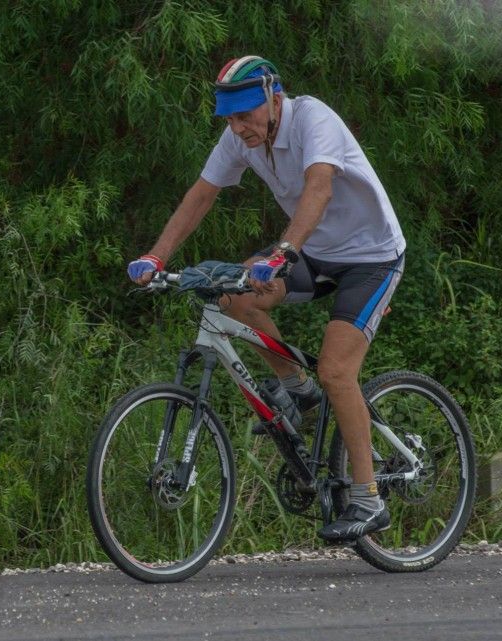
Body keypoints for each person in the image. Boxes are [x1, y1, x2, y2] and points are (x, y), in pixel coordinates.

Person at [127, 55, 405, 542]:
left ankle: (368, 498)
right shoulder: (241, 137)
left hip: (372, 257)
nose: (238, 128)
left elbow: (318, 188)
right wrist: (155, 256)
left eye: (246, 116)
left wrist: (282, 252)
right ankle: (297, 389)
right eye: (230, 119)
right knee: (235, 300)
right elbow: (201, 194)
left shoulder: (314, 120)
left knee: (338, 370)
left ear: (275, 99)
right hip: (312, 252)